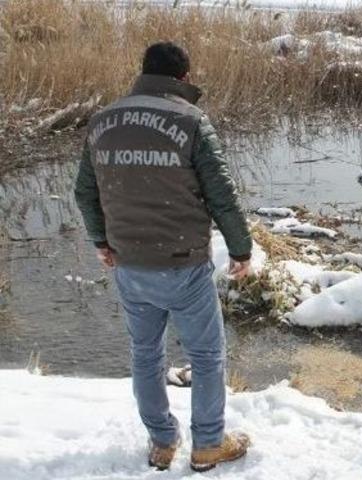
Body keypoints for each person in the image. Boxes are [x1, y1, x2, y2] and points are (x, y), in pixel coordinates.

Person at [74, 41, 252, 472]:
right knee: (207, 357)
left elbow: (85, 192)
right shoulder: (191, 121)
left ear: (143, 71)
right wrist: (241, 248)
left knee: (145, 354)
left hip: (129, 264)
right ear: (184, 78)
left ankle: (161, 441)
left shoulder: (102, 121)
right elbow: (221, 194)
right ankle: (208, 444)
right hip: (183, 263)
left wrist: (102, 242)